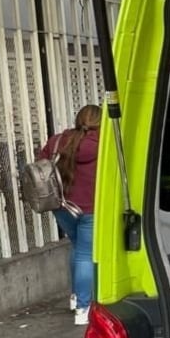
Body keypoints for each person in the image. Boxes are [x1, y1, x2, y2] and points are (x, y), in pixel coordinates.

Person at [37, 105, 100, 325]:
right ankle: (83, 308)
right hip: (90, 209)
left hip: (63, 207)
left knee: (77, 247)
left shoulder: (57, 141)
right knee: (85, 254)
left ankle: (75, 297)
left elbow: (40, 166)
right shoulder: (104, 144)